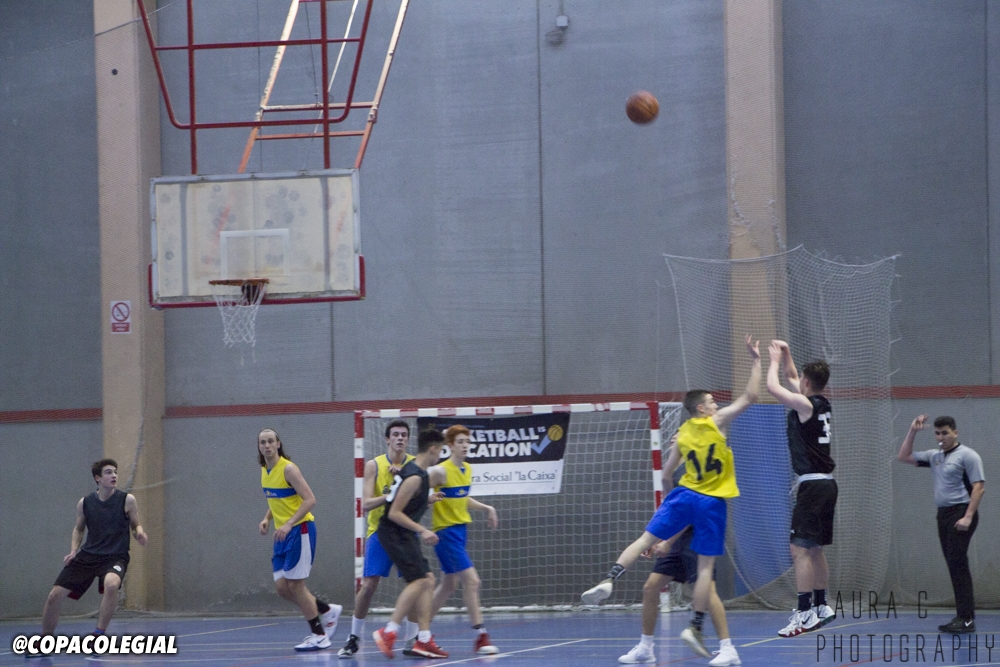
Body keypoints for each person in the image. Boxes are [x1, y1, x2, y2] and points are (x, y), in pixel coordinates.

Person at [582, 335, 760, 663]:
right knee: (668, 582)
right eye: (712, 401)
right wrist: (757, 361)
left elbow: (665, 475)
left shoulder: (684, 435)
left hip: (683, 503)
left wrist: (667, 517)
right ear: (701, 408)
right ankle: (677, 634)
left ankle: (611, 577)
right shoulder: (716, 424)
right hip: (706, 505)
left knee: (655, 549)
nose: (716, 405)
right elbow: (750, 395)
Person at [617, 437, 739, 666]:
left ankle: (728, 648)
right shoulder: (675, 470)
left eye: (679, 435)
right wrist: (658, 537)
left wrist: (666, 541)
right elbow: (671, 513)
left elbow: (689, 514)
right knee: (651, 587)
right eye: (673, 436)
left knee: (708, 593)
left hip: (697, 536)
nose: (674, 438)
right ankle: (645, 647)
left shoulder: (698, 470)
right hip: (677, 539)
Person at [765, 341, 837, 637]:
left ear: (808, 382)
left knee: (799, 550)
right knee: (815, 549)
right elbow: (792, 377)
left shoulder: (805, 406)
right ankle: (821, 605)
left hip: (813, 486)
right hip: (826, 484)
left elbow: (773, 387)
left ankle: (805, 613)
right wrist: (786, 353)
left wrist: (772, 360)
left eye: (801, 379)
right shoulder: (820, 403)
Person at [36, 459, 148, 645]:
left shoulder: (127, 500)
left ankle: (98, 634)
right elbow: (79, 529)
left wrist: (140, 533)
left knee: (111, 584)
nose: (114, 475)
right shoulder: (85, 503)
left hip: (115, 556)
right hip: (88, 556)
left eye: (115, 472)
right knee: (54, 595)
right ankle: (45, 639)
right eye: (108, 472)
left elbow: (135, 525)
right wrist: (74, 550)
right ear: (98, 478)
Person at [896, 414, 985, 633]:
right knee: (953, 564)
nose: (941, 437)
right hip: (943, 515)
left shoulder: (968, 456)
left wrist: (968, 516)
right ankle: (962, 616)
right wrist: (913, 430)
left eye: (945, 433)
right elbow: (903, 456)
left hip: (961, 512)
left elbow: (979, 487)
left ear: (955, 432)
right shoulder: (934, 456)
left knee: (958, 563)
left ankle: (966, 619)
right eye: (937, 433)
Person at [339, 419, 420, 659]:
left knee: (415, 585)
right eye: (395, 434)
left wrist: (404, 480)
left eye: (403, 435)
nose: (399, 438)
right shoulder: (374, 465)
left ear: (408, 439)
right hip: (380, 531)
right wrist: (392, 493)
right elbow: (365, 504)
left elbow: (419, 500)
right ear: (387, 439)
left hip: (405, 533)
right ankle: (354, 637)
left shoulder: (414, 465)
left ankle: (413, 639)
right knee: (368, 586)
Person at [258, 428, 342, 652]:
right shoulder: (265, 470)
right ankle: (326, 610)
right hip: (281, 535)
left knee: (296, 585)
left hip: (299, 529)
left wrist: (288, 523)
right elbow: (276, 499)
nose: (267, 445)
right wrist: (267, 518)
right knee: (282, 588)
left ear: (278, 444)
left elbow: (310, 499)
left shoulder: (289, 469)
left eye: (270, 441)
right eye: (262, 442)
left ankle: (319, 635)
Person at [372, 428, 450, 659]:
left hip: (403, 532)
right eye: (440, 451)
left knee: (429, 580)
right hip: (394, 532)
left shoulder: (418, 473)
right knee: (420, 581)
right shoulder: (415, 476)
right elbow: (394, 512)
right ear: (433, 449)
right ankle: (389, 632)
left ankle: (423, 640)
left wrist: (427, 500)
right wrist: (422, 530)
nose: (440, 456)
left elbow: (407, 502)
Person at [427, 425, 500, 655]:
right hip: (445, 533)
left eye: (467, 441)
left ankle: (419, 632)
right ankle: (481, 636)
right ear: (450, 446)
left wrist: (487, 508)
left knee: (448, 585)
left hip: (460, 532)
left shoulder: (467, 469)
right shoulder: (440, 471)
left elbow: (462, 497)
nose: (465, 445)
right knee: (472, 582)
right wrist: (427, 499)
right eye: (460, 442)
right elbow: (415, 489)